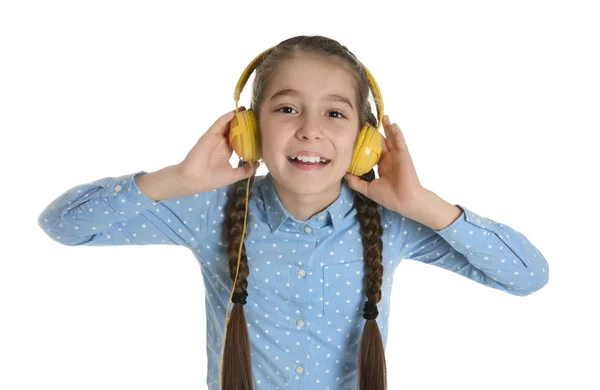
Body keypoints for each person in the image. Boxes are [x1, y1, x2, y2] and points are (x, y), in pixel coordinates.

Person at [38, 35, 549, 390]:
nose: (309, 130)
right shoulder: (206, 209)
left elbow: (528, 276)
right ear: (250, 129)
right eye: (285, 109)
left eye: (334, 113)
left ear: (365, 141)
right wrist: (177, 179)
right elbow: (62, 225)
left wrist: (422, 203)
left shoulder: (394, 222)